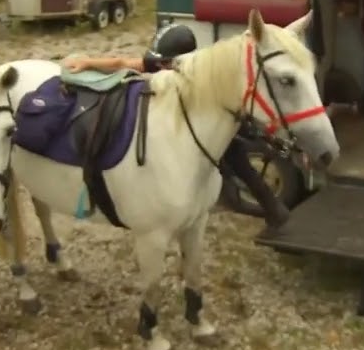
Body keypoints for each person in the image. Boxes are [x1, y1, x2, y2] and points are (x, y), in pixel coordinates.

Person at [63, 23, 349, 229]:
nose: (159, 65)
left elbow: (131, 64)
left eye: (162, 61)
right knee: (234, 155)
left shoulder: (187, 67)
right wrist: (89, 62)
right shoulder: (177, 63)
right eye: (158, 61)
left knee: (232, 152)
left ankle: (258, 201)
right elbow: (125, 62)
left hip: (210, 123)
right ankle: (267, 204)